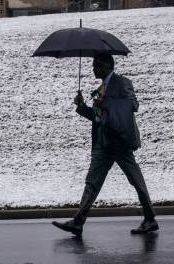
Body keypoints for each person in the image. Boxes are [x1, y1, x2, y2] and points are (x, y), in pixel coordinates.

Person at [52, 53, 158, 237]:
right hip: (102, 144)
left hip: (119, 142)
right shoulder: (100, 89)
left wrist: (106, 103)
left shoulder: (122, 83)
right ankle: (78, 222)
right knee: (91, 183)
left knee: (136, 181)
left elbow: (133, 105)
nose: (93, 68)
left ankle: (150, 219)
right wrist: (82, 106)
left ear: (107, 66)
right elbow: (98, 117)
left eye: (96, 64)